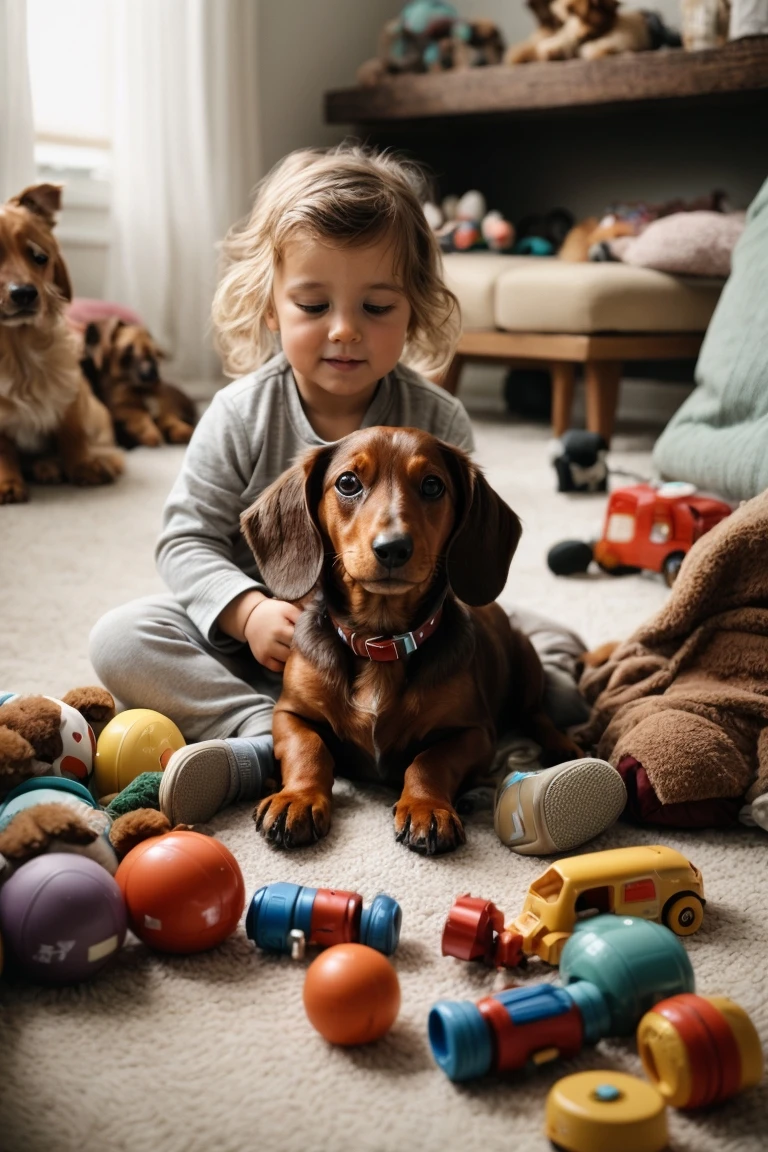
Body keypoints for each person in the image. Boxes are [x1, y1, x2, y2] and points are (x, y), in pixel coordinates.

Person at [90, 143, 600, 847]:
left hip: (419, 629)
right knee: (123, 636)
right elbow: (184, 540)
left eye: (377, 305)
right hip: (271, 647)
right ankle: (258, 740)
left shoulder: (439, 422)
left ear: (415, 308)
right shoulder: (240, 413)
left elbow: (466, 552)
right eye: (312, 302)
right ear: (269, 304)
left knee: (533, 642)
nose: (344, 329)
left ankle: (516, 752)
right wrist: (246, 612)